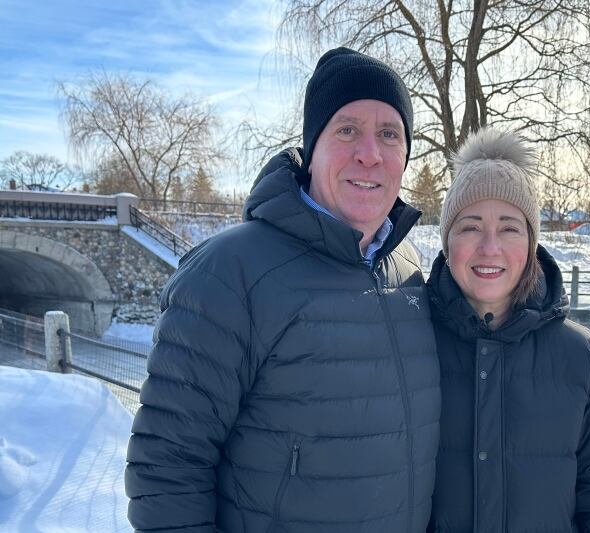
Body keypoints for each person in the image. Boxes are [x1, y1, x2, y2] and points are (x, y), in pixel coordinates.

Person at [125, 47, 440, 533]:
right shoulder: (230, 272)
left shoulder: (410, 270)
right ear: (312, 149)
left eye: (389, 134)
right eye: (347, 129)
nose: (370, 153)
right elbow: (167, 471)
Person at [426, 128, 590, 532]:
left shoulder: (587, 362)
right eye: (470, 226)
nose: (489, 247)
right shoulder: (409, 343)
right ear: (447, 242)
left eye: (509, 227)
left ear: (531, 242)